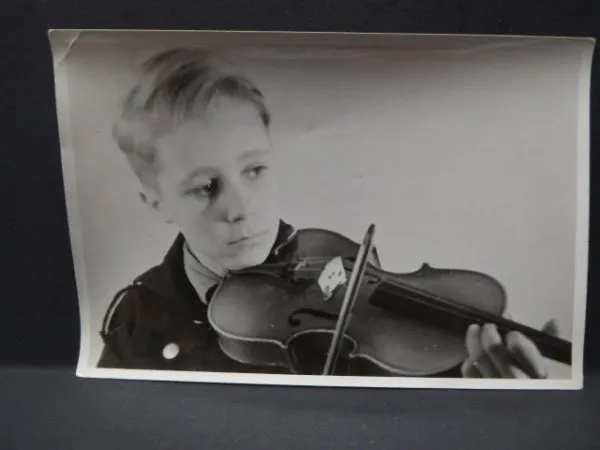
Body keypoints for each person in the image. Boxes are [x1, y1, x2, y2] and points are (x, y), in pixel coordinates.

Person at [97, 47, 559, 379]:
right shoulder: (136, 317)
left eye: (254, 169)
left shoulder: (331, 260)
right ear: (155, 202)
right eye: (204, 187)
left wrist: (480, 398)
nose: (240, 209)